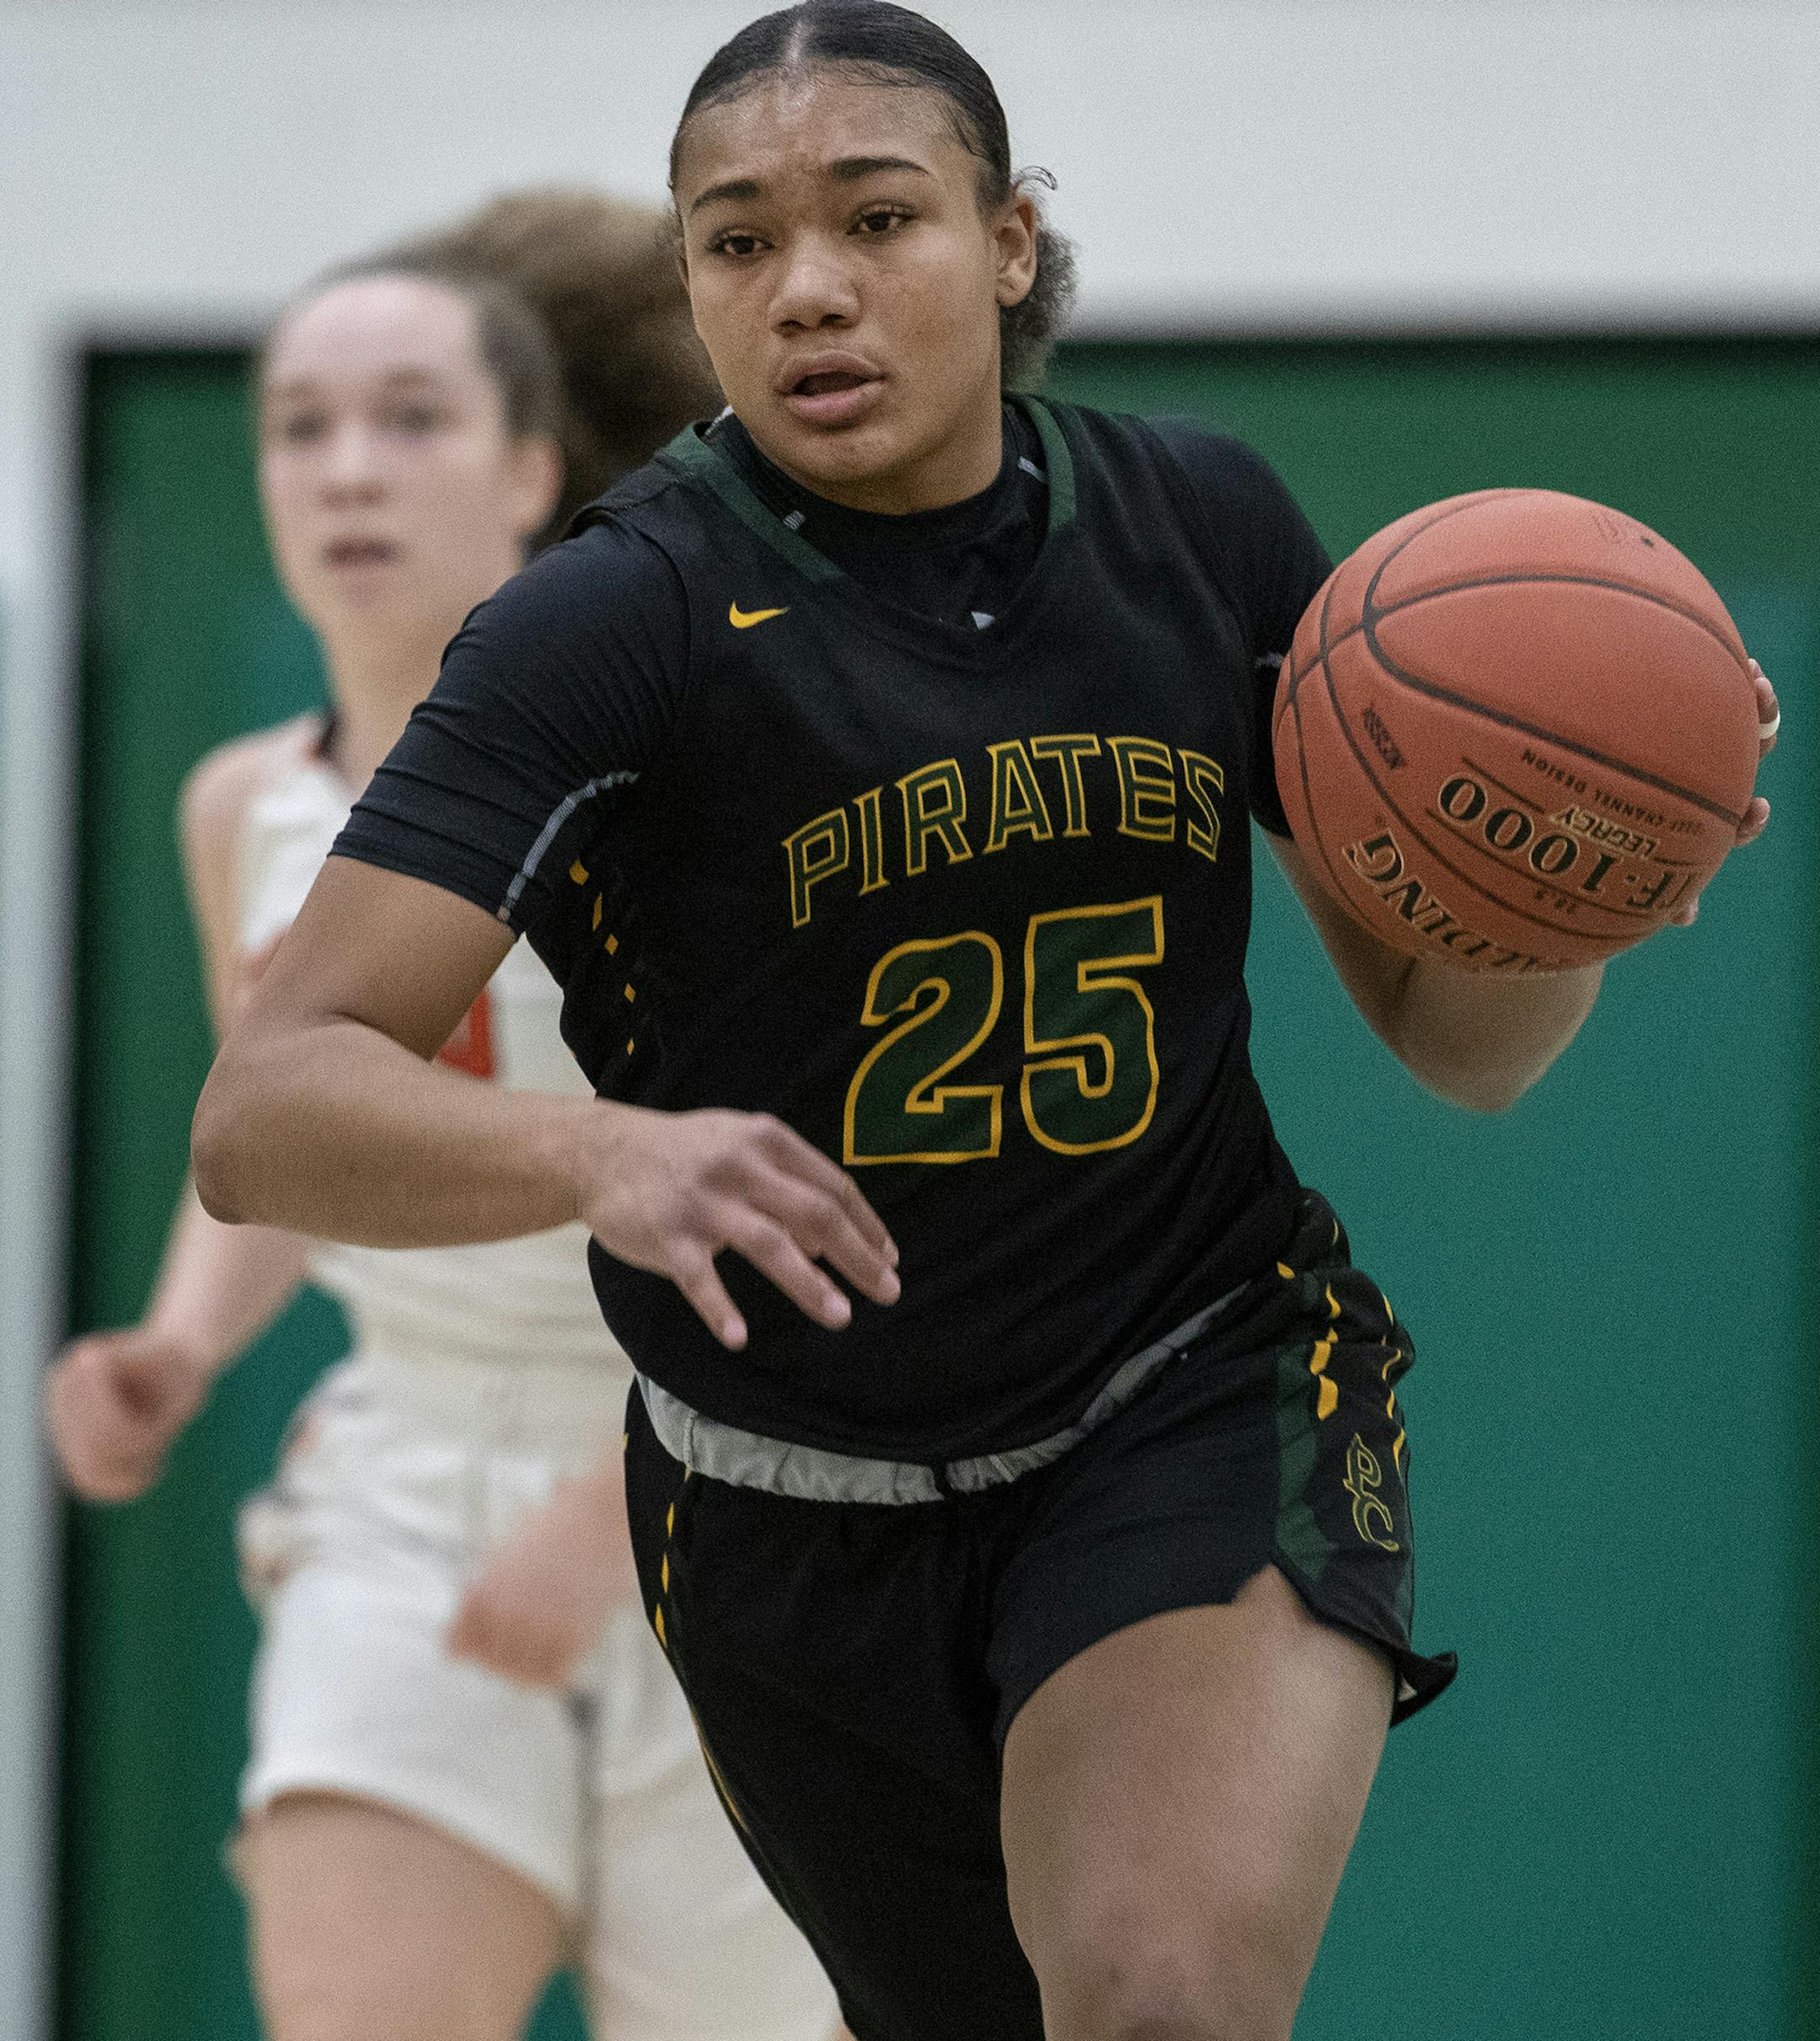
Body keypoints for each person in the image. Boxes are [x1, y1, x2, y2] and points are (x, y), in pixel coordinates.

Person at [188, 8, 1781, 2039]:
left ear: (1011, 240)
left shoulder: (1199, 529)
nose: (813, 287)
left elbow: (1456, 1042)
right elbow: (267, 1104)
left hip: (1188, 1388)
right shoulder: (612, 620)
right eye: (740, 243)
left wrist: (1577, 882)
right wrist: (607, 1150)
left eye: (878, 216)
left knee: (1157, 1997)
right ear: (691, 290)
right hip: (788, 1499)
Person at [48, 188, 844, 2041]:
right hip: (400, 1482)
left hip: (719, 1483)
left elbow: (836, 1184)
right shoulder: (240, 807)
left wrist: (613, 1502)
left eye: (411, 417)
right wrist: (176, 1340)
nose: (347, 467)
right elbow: (279, 1136)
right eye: (301, 424)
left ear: (530, 470)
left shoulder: (684, 775)